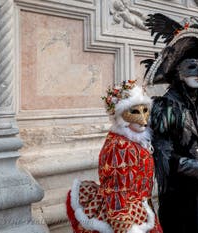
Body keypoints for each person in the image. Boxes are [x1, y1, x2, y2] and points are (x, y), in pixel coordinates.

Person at [142, 13, 198, 233]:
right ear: (178, 72)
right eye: (192, 66)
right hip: (178, 195)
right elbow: (166, 160)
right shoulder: (165, 109)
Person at [66, 80, 163, 233]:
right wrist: (124, 227)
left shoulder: (133, 141)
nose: (144, 119)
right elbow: (117, 192)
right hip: (127, 215)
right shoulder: (121, 146)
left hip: (140, 209)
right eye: (135, 112)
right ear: (121, 116)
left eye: (145, 110)